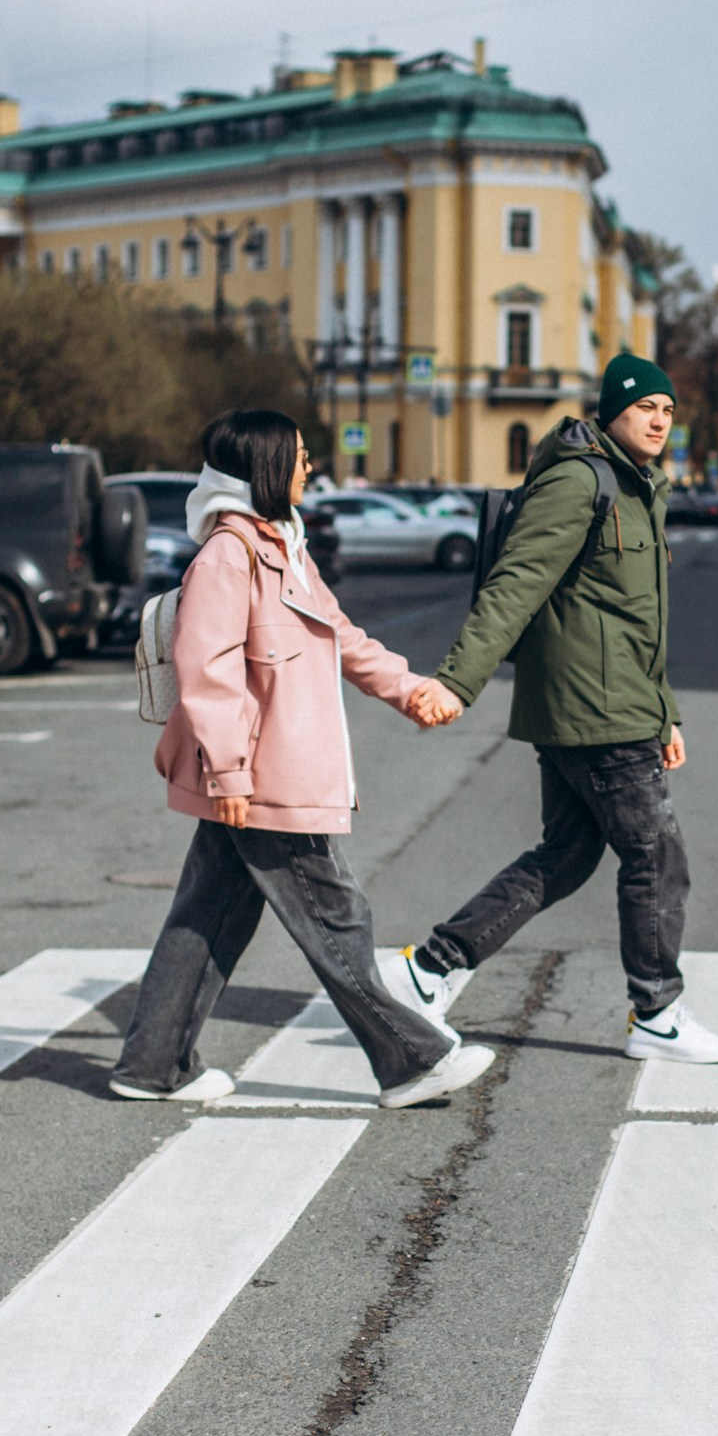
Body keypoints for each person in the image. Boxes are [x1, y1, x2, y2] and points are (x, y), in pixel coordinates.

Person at [112, 410, 491, 1109]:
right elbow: (207, 668)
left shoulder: (282, 546)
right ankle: (413, 1058)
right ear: (263, 468)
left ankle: (152, 1064)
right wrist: (227, 772)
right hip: (259, 776)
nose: (310, 468)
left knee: (209, 914)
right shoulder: (229, 555)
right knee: (334, 915)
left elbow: (341, 634)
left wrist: (411, 691)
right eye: (299, 457)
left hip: (263, 771)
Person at [395, 353, 718, 1066]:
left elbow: (637, 619)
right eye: (646, 406)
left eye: (668, 410)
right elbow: (515, 583)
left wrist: (665, 711)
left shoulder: (640, 488)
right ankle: (658, 1011)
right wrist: (458, 681)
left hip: (617, 705)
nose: (659, 419)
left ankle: (433, 966)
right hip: (593, 708)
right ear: (613, 410)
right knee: (655, 852)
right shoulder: (577, 481)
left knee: (568, 854)